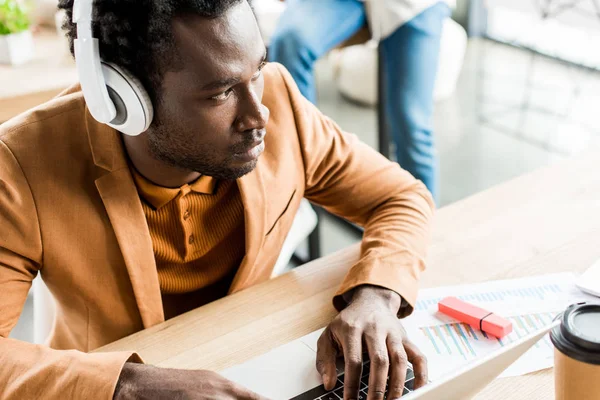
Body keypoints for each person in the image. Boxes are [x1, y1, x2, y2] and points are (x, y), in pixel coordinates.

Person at [0, 0, 434, 399]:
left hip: (259, 365)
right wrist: (127, 386)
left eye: (258, 70)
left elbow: (401, 196)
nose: (257, 115)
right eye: (220, 93)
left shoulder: (281, 102)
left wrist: (377, 294)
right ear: (123, 98)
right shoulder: (21, 164)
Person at [268, 0, 453, 203]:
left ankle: (422, 222)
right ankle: (306, 165)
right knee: (290, 41)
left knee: (411, 124)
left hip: (414, 5)